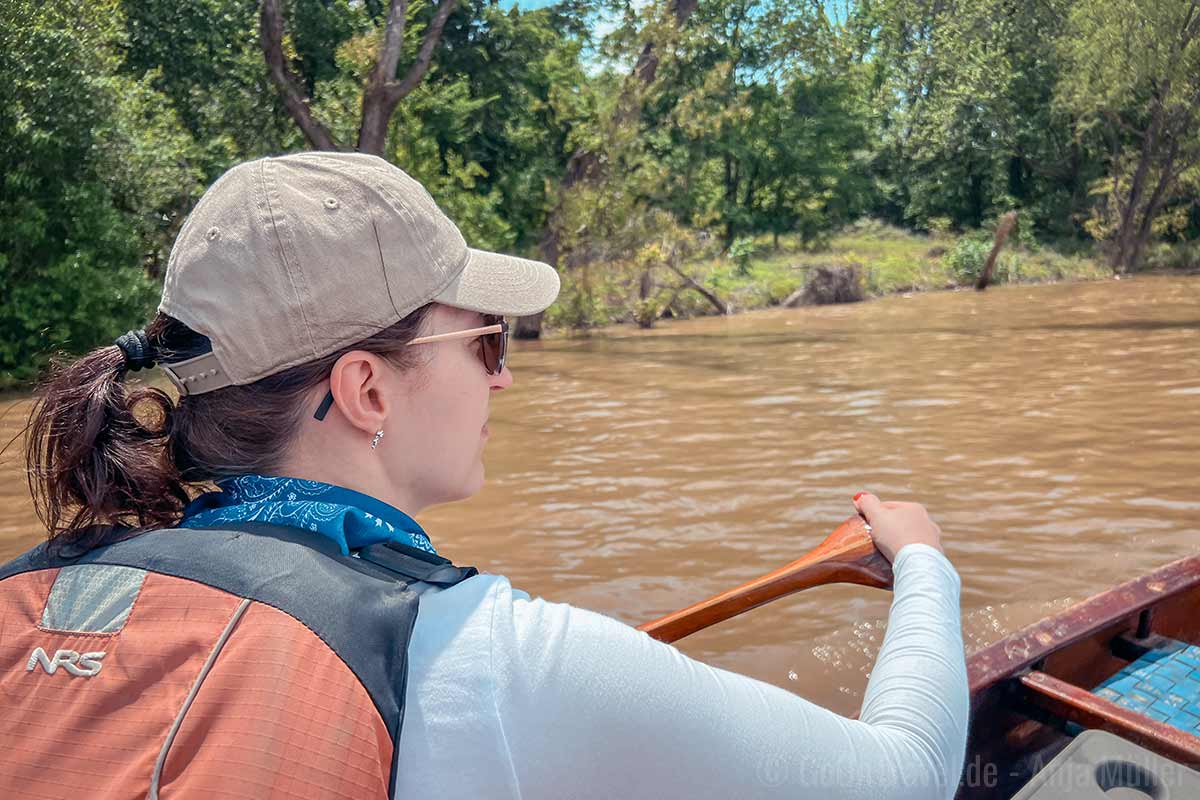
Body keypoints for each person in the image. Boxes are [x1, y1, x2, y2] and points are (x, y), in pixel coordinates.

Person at [0, 153, 968, 799]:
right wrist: (924, 563)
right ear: (367, 389)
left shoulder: (30, 595)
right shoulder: (491, 656)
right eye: (486, 337)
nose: (504, 372)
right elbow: (907, 775)